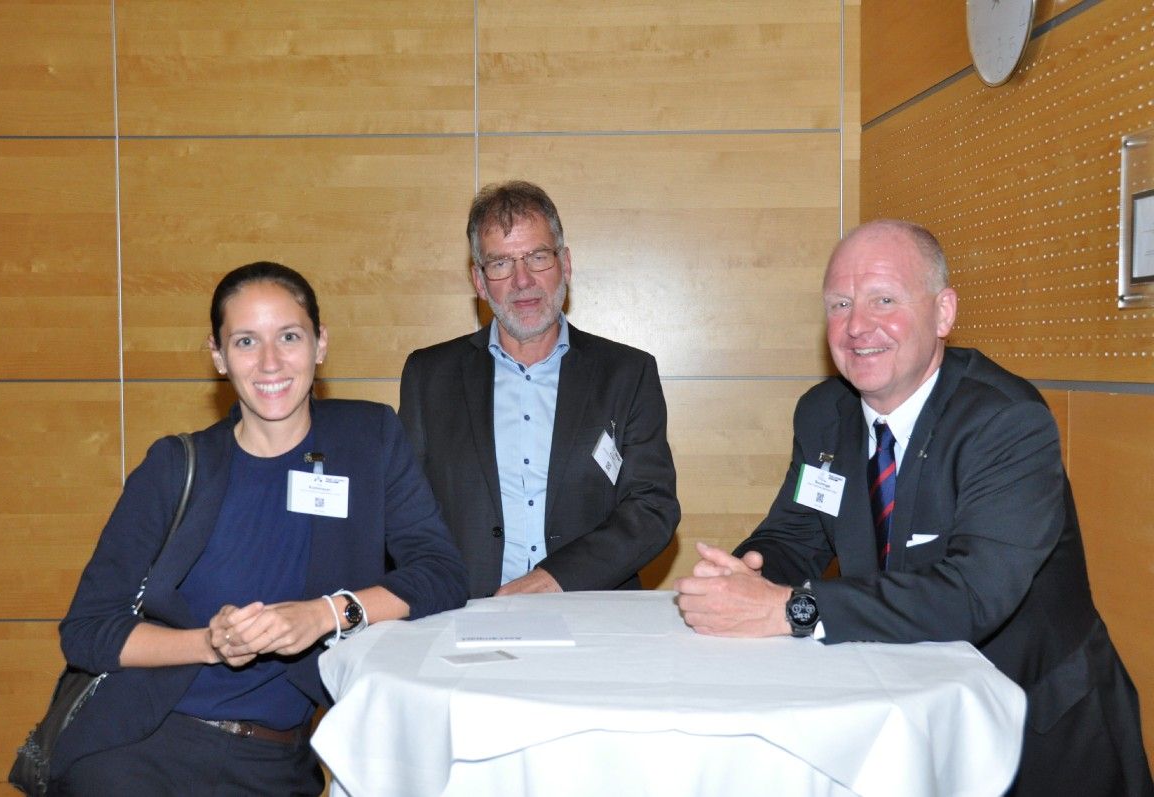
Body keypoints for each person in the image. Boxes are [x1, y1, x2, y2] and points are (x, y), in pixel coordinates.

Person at [675, 220, 1153, 797]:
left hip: (1038, 729)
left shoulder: (1006, 421)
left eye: (884, 300)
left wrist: (790, 610)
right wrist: (747, 574)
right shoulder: (824, 412)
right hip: (907, 712)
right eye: (840, 304)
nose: (857, 326)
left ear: (943, 313)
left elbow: (974, 594)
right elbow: (796, 534)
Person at [50, 262, 468, 795]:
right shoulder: (175, 467)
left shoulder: (368, 439)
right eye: (246, 341)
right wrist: (210, 643)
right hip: (141, 751)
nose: (270, 362)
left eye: (289, 336)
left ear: (320, 344)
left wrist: (324, 614)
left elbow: (441, 573)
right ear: (218, 356)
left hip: (277, 763)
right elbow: (87, 631)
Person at [398, 181, 680, 599]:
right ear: (479, 281)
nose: (522, 280)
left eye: (537, 257)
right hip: (467, 615)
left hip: (591, 613)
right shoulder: (430, 376)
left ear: (565, 264)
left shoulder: (627, 373)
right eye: (500, 263)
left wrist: (554, 579)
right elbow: (403, 510)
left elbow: (652, 508)